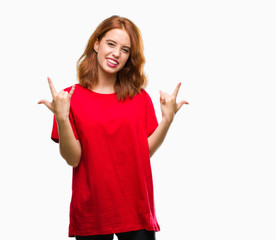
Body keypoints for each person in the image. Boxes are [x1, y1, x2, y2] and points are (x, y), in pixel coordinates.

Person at [38, 15, 188, 240]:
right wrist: (62, 118)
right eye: (111, 44)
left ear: (129, 57)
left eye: (125, 49)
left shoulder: (139, 97)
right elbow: (73, 159)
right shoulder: (70, 97)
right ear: (97, 44)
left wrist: (167, 121)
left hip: (135, 209)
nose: (116, 53)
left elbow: (143, 152)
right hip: (92, 211)